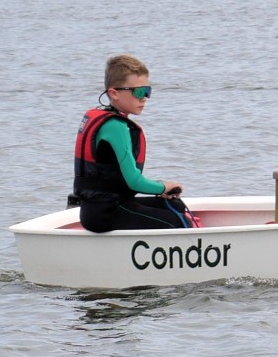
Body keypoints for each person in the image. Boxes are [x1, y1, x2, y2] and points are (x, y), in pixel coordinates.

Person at [68, 53, 194, 232]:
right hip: (106, 212)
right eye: (139, 92)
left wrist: (161, 190)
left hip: (106, 206)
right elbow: (134, 181)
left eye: (147, 91)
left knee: (176, 206)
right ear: (114, 93)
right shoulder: (115, 127)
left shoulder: (106, 119)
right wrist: (164, 186)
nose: (144, 98)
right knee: (177, 221)